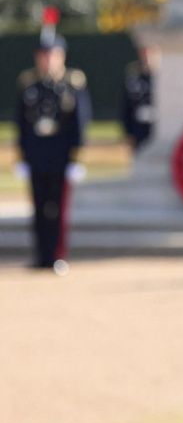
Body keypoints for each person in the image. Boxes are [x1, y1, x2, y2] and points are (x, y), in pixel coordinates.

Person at [16, 31, 91, 274]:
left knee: (58, 209)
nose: (47, 60)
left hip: (61, 157)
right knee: (39, 208)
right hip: (37, 156)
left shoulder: (72, 84)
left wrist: (76, 159)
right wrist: (22, 157)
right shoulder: (29, 84)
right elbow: (21, 124)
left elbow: (79, 124)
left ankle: (57, 256)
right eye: (43, 55)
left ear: (61, 57)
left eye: (52, 55)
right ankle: (41, 255)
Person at [120, 43, 160, 152]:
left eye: (150, 53)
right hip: (138, 127)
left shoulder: (162, 75)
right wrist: (128, 131)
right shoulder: (134, 76)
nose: (147, 57)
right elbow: (126, 104)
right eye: (144, 53)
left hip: (157, 126)